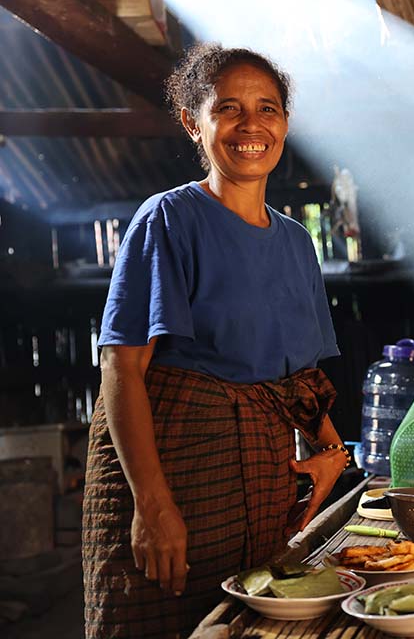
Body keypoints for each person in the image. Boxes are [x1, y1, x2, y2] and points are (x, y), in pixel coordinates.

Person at [81, 43, 349, 639]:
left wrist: (333, 457)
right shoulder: (168, 219)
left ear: (284, 123)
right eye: (229, 108)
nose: (252, 125)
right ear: (193, 123)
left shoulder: (295, 242)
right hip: (173, 467)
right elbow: (121, 370)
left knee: (250, 622)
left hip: (261, 473)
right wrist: (152, 508)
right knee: (164, 620)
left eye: (268, 108)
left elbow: (298, 380)